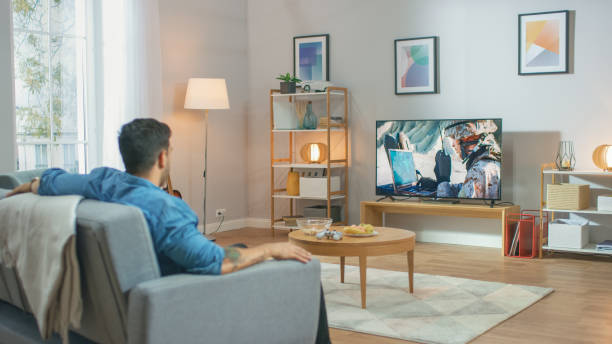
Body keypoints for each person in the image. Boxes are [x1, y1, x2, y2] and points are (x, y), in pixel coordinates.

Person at [7, 118, 331, 343]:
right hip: (180, 294)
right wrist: (272, 248)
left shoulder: (103, 181)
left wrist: (31, 185)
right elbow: (215, 262)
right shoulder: (165, 209)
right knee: (300, 267)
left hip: (120, 305)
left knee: (246, 243)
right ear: (163, 156)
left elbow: (52, 179)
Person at [435, 120, 501, 199]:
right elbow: (466, 191)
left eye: (454, 138)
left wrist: (443, 181)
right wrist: (447, 187)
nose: (453, 145)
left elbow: (463, 209)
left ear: (467, 138)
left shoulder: (480, 170)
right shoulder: (486, 163)